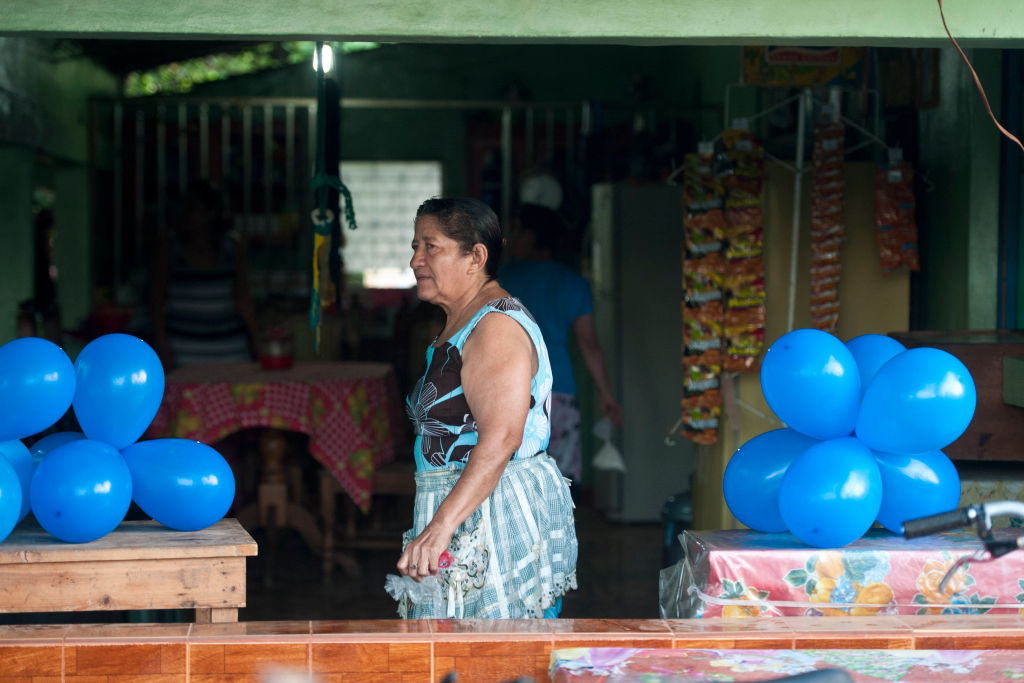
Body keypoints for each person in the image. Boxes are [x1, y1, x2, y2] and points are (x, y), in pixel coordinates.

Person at [396, 196, 577, 619]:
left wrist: (440, 527)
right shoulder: (465, 320)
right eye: (415, 247)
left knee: (495, 648)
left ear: (476, 257)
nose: (416, 260)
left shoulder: (495, 325)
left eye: (431, 247)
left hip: (494, 516)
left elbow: (501, 438)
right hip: (467, 510)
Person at [498, 203, 623, 484]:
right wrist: (606, 394)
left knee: (508, 481)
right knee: (559, 479)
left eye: (517, 231)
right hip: (559, 392)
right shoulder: (573, 283)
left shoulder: (500, 280)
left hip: (505, 390)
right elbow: (589, 344)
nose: (510, 238)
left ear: (534, 236)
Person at [149, 181, 259, 370]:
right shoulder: (169, 248)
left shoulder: (232, 247)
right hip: (183, 351)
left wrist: (258, 343)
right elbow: (156, 300)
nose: (184, 214)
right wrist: (161, 343)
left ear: (211, 212)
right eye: (183, 207)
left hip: (231, 350)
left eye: (192, 208)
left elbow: (243, 298)